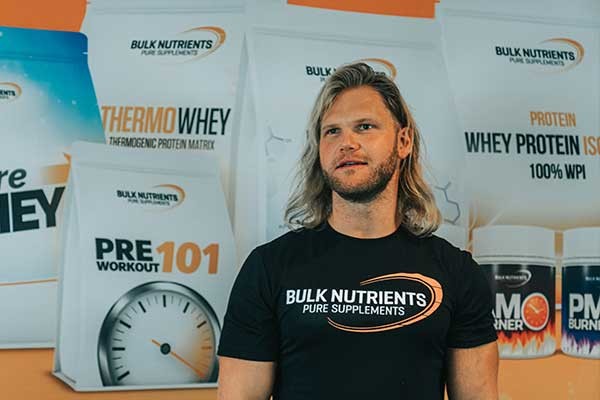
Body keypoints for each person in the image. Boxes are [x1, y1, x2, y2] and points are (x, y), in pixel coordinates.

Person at [217, 62, 498, 399]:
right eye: (332, 131)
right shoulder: (268, 267)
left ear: (403, 141)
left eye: (364, 127)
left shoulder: (456, 272)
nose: (346, 142)